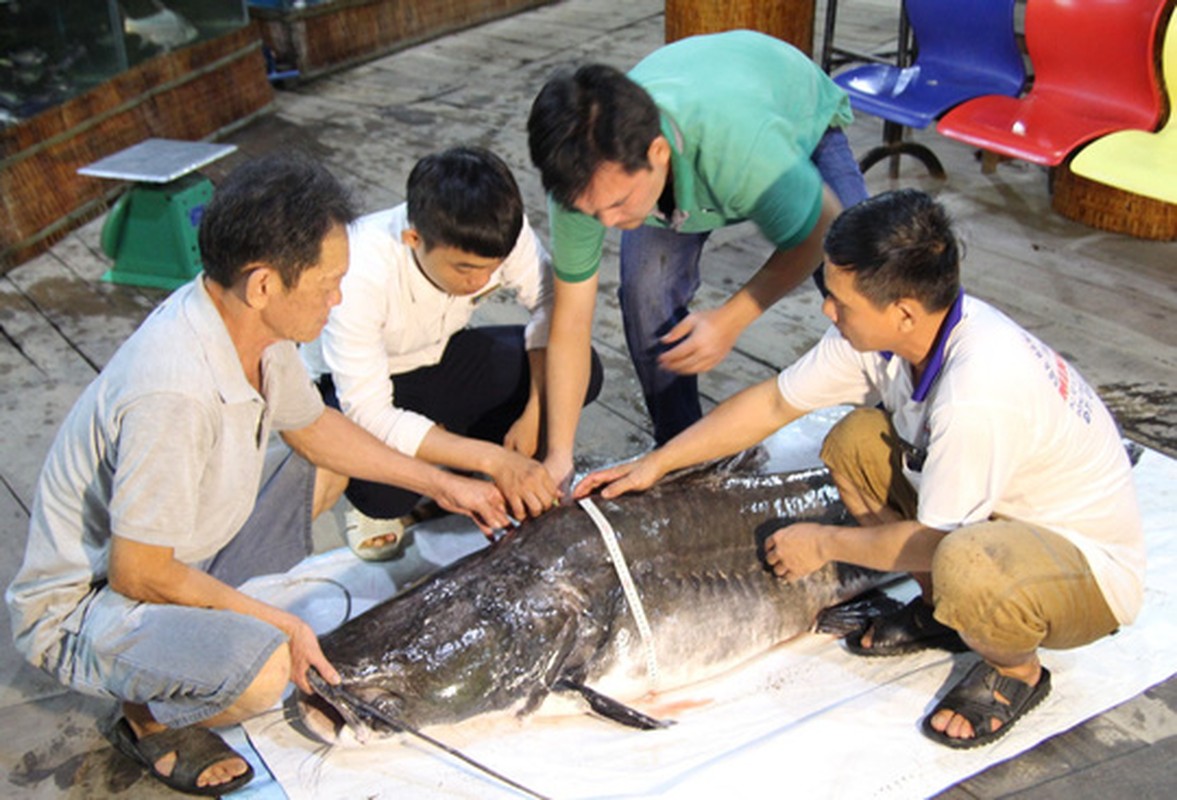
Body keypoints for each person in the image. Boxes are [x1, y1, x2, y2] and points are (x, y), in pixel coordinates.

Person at [5, 154, 510, 797]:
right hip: (95, 604)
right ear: (264, 284)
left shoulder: (253, 329)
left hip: (181, 547)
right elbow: (139, 571)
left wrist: (444, 483)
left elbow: (314, 428)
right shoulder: (173, 391)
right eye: (327, 283)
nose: (338, 298)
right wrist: (281, 625)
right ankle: (145, 716)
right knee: (267, 670)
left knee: (326, 460)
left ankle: (204, 636)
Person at [575, 189, 1145, 748]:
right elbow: (774, 403)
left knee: (964, 565)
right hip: (999, 518)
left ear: (902, 311)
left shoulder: (978, 390)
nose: (828, 309)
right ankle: (942, 611)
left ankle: (1016, 671)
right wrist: (656, 464)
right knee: (854, 440)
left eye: (841, 301)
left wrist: (824, 543)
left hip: (1085, 569)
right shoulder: (885, 335)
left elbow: (939, 543)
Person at [527, 29, 870, 488]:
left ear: (658, 152)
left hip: (787, 109)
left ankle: (903, 432)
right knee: (645, 292)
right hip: (702, 111)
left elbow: (822, 230)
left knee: (866, 276)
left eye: (618, 204)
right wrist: (559, 457)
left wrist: (732, 318)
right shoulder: (584, 182)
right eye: (593, 212)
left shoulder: (742, 148)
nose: (606, 222)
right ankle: (680, 452)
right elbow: (570, 321)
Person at [304, 146, 603, 560]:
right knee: (382, 496)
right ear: (414, 239)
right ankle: (460, 460)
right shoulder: (359, 269)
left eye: (490, 268)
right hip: (365, 385)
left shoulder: (500, 232)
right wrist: (496, 459)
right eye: (464, 269)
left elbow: (551, 308)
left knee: (582, 371)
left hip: (441, 353)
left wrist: (534, 412)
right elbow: (368, 411)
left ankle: (464, 453)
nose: (479, 280)